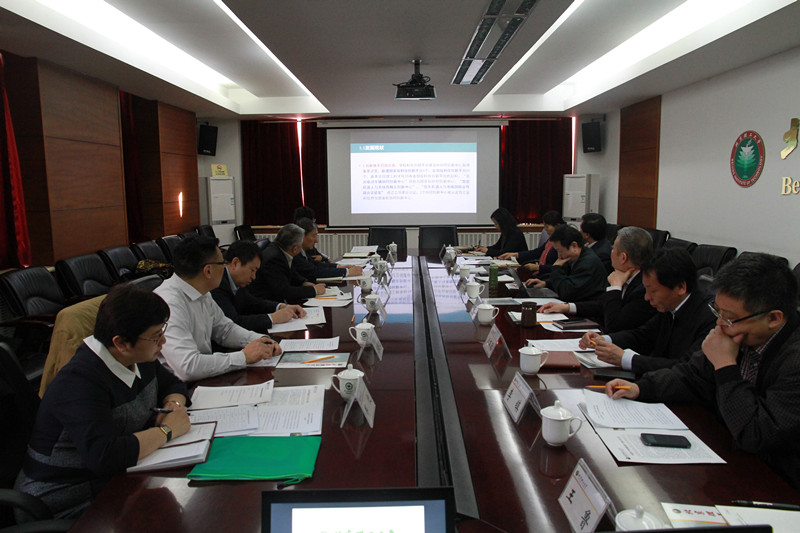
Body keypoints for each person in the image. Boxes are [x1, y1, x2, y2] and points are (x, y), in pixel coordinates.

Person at [604, 253, 800, 490]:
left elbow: (756, 434)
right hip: (725, 451)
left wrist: (725, 366)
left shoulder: (794, 360)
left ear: (773, 318)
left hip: (776, 480)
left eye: (729, 319)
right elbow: (691, 375)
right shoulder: (738, 333)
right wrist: (641, 387)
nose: (719, 325)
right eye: (718, 312)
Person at [14, 285, 191, 520]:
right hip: (64, 496)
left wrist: (173, 407)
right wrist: (166, 431)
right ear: (121, 343)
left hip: (116, 476)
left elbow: (173, 385)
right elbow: (104, 455)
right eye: (156, 336)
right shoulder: (80, 381)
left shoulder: (138, 356)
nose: (163, 341)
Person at [154, 235, 281, 381]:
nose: (225, 267)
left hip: (204, 377)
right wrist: (243, 357)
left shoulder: (202, 292)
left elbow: (225, 329)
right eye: (222, 263)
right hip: (181, 388)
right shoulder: (169, 303)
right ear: (208, 271)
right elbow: (188, 367)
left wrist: (261, 340)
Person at [579, 247, 716, 374]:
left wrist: (626, 359)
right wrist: (604, 340)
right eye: (646, 290)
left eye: (653, 291)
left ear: (680, 287)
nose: (647, 297)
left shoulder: (710, 317)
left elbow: (686, 367)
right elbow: (643, 336)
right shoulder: (671, 305)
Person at [540, 226, 657, 332]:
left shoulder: (643, 289)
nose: (610, 252)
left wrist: (615, 288)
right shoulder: (626, 277)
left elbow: (614, 326)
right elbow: (602, 305)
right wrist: (567, 307)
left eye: (613, 248)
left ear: (623, 257)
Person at [211, 240, 306, 334]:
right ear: (235, 263)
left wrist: (282, 306)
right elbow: (232, 324)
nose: (254, 277)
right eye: (252, 270)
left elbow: (253, 303)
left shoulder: (236, 281)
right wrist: (272, 318)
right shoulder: (217, 284)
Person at [525, 224, 607, 302]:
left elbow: (566, 293)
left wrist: (556, 268)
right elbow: (566, 280)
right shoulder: (573, 258)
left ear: (574, 246)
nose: (559, 256)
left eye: (560, 251)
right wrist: (546, 284)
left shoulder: (588, 263)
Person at [248, 224, 326, 304]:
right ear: (295, 249)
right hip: (265, 303)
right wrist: (314, 290)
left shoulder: (280, 250)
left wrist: (303, 282)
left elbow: (291, 272)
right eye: (301, 246)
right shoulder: (274, 259)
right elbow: (284, 291)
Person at [293, 218, 363, 281]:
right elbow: (315, 272)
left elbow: (316, 264)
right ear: (302, 236)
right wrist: (347, 272)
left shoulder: (303, 251)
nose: (316, 240)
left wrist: (339, 267)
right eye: (314, 236)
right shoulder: (295, 254)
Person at [499, 210, 563, 277]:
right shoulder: (550, 240)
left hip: (548, 276)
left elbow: (559, 268)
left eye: (547, 227)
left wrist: (537, 267)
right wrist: (516, 254)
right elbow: (536, 252)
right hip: (541, 274)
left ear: (557, 226)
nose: (545, 229)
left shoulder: (562, 243)